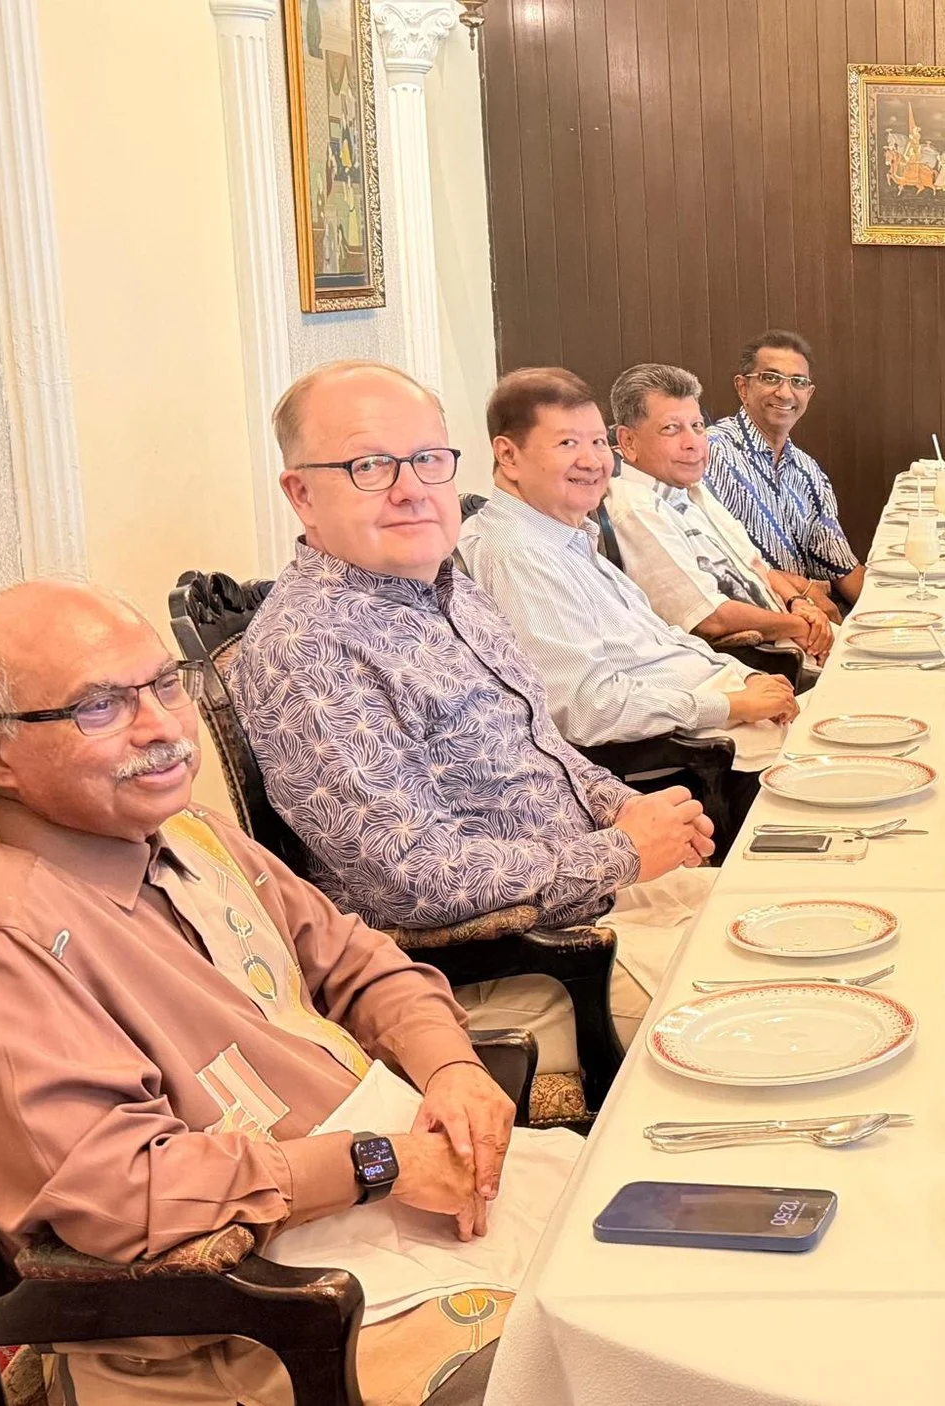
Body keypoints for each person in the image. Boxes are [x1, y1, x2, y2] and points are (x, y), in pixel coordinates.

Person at [0, 580, 535, 1404]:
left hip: (382, 1207)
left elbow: (356, 960)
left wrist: (450, 1066)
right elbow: (124, 1195)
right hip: (250, 1316)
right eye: (99, 706)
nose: (163, 728)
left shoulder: (186, 831)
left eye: (166, 684)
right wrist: (376, 1163)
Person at [231, 360, 721, 1077]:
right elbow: (413, 878)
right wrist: (619, 853)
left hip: (587, 901)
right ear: (302, 494)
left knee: (798, 912)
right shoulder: (308, 649)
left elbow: (544, 746)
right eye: (370, 465)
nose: (411, 491)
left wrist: (629, 807)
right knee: (767, 1001)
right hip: (496, 975)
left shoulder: (445, 588)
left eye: (427, 460)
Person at [459, 367, 799, 767]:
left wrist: (746, 677)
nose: (592, 461)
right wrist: (729, 705)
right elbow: (586, 708)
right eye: (567, 443)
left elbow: (661, 639)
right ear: (508, 455)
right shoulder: (517, 553)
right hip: (690, 749)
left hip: (722, 706)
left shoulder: (565, 533)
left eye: (598, 442)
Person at [605, 362, 836, 666]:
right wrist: (800, 625)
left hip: (799, 639)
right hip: (766, 669)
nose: (692, 444)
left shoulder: (690, 487)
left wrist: (797, 603)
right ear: (629, 442)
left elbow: (755, 565)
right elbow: (710, 617)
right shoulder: (636, 508)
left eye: (697, 426)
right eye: (671, 429)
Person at [702, 330, 865, 607]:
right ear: (743, 388)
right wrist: (803, 590)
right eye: (770, 378)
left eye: (798, 382)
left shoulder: (808, 471)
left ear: (809, 394)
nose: (785, 392)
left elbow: (842, 568)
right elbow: (709, 561)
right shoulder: (710, 453)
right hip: (755, 626)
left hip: (809, 617)